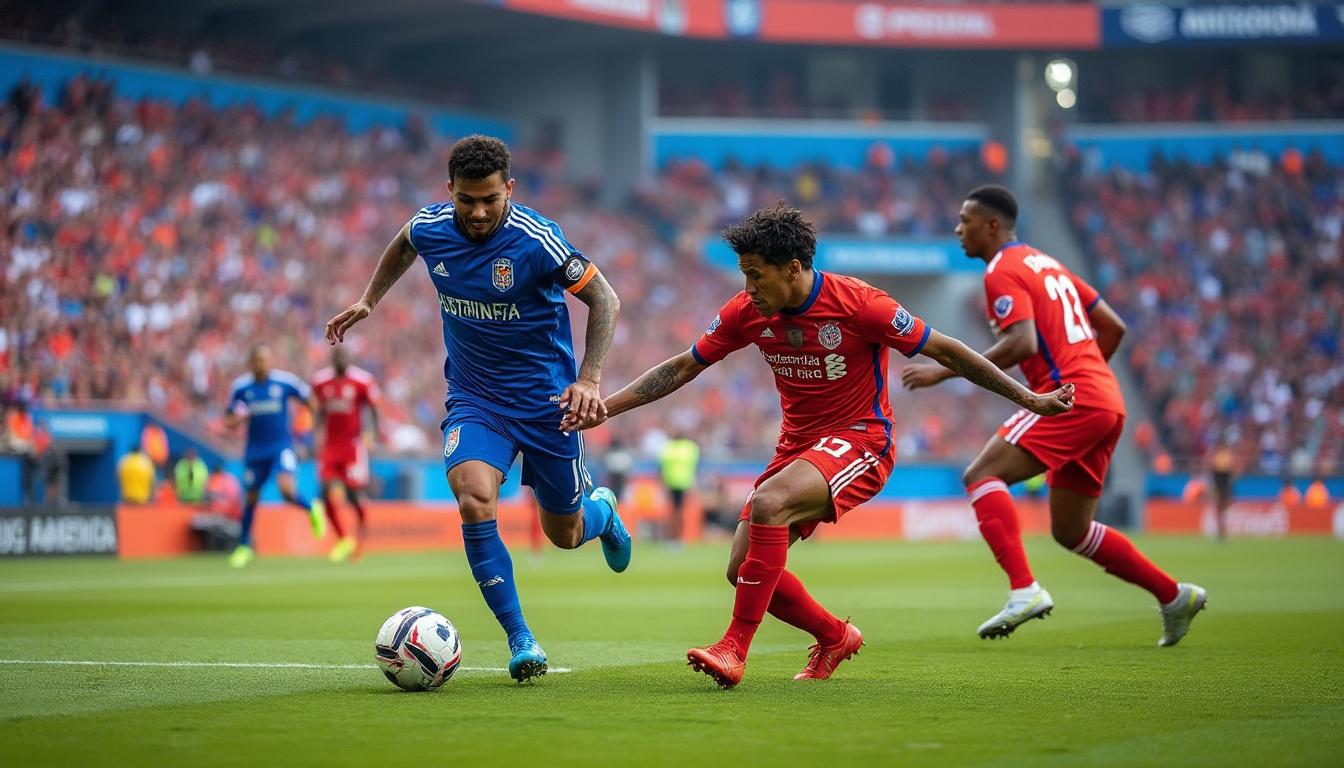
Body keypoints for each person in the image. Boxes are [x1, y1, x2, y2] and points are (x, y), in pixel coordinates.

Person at [564, 202, 1074, 688]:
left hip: (862, 441)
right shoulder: (747, 311)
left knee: (768, 503)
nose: (748, 287)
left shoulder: (861, 305)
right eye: (743, 274)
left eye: (755, 274)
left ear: (792, 269)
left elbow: (948, 349)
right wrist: (607, 407)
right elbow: (682, 366)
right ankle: (834, 636)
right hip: (798, 448)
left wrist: (1028, 397)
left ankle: (733, 647)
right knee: (741, 570)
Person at [325, 134, 631, 682]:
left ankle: (602, 515)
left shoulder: (537, 240)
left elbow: (603, 298)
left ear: (509, 189)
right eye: (468, 199)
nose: (480, 211)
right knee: (473, 498)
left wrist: (589, 379)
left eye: (491, 198)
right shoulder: (431, 226)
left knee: (565, 533)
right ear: (450, 192)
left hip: (548, 404)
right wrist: (370, 298)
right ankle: (521, 639)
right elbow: (403, 243)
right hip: (475, 398)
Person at [901, 184, 1206, 646]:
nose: (956, 228)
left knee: (981, 474)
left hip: (1071, 397)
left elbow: (1022, 343)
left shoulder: (1002, 270)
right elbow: (1113, 326)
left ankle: (1023, 588)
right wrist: (1092, 377)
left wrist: (945, 372)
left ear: (992, 225)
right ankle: (1173, 596)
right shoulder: (1049, 263)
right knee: (1071, 530)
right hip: (1107, 401)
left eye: (964, 220)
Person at [224, 343, 327, 568]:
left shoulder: (284, 382)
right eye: (258, 360)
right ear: (251, 363)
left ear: (270, 361)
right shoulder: (241, 388)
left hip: (281, 447)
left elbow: (310, 400)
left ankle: (311, 508)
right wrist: (238, 419)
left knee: (286, 491)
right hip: (255, 451)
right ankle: (244, 546)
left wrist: (310, 429)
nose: (262, 364)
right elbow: (229, 420)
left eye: (265, 359)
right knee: (251, 498)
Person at [311, 346, 382, 562]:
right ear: (332, 358)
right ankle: (344, 539)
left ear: (350, 359)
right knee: (325, 494)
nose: (341, 359)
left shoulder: (363, 381)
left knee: (353, 497)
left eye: (345, 356)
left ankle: (358, 543)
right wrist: (317, 433)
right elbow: (317, 410)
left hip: (353, 447)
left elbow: (374, 409)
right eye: (338, 356)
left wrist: (371, 434)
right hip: (331, 447)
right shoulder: (320, 381)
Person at [658, 429, 700, 543]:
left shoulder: (668, 448)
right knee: (678, 511)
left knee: (674, 512)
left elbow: (661, 467)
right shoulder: (690, 447)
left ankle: (675, 537)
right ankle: (677, 537)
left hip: (672, 483)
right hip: (684, 483)